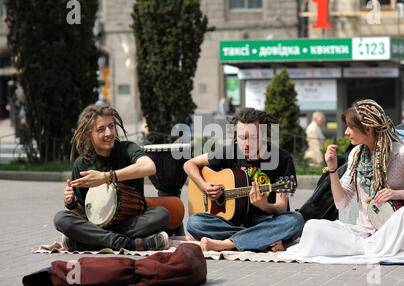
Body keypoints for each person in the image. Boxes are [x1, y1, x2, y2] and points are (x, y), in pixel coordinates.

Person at [279, 99, 404, 264]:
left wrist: (396, 193)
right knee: (313, 227)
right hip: (361, 233)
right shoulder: (356, 154)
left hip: (391, 230)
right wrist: (333, 169)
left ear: (368, 129)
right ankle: (372, 248)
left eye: (350, 127)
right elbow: (341, 203)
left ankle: (371, 248)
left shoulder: (403, 154)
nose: (346, 132)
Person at [184, 108, 305, 253]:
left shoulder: (282, 159)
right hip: (234, 222)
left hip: (266, 221)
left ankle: (227, 244)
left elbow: (281, 207)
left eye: (253, 137)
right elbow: (189, 164)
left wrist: (265, 205)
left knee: (295, 220)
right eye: (242, 137)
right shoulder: (230, 152)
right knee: (194, 222)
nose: (247, 144)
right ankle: (261, 239)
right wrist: (204, 186)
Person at [53, 104, 170, 251]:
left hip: (130, 222)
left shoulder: (127, 148)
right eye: (101, 129)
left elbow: (149, 167)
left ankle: (89, 242)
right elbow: (84, 212)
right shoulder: (81, 164)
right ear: (88, 135)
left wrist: (106, 177)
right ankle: (130, 244)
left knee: (161, 214)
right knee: (61, 219)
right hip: (98, 225)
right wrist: (71, 203)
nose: (109, 133)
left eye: (111, 126)